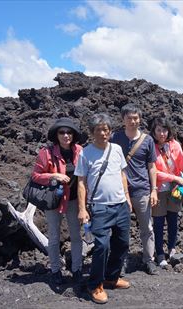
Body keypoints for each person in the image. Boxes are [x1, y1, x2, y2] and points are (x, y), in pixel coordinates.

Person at [76, 113, 132, 304]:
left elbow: (122, 174)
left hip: (121, 205)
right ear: (92, 132)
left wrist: (127, 197)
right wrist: (82, 209)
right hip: (99, 207)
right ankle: (95, 285)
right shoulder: (85, 153)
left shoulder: (116, 149)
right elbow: (81, 183)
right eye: (99, 129)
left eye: (106, 129)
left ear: (110, 131)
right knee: (101, 246)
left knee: (122, 243)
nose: (103, 133)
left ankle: (111, 277)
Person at [31, 118, 83, 285]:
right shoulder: (46, 153)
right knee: (54, 237)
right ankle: (55, 270)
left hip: (74, 200)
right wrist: (53, 175)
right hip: (54, 201)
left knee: (76, 236)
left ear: (74, 135)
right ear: (56, 134)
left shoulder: (80, 151)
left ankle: (77, 269)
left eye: (69, 132)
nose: (66, 135)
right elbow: (35, 176)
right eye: (62, 132)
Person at [111, 103, 159, 275]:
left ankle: (149, 260)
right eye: (129, 118)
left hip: (142, 190)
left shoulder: (147, 140)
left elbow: (151, 167)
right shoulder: (115, 138)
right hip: (119, 192)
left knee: (147, 227)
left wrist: (154, 189)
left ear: (140, 119)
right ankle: (121, 261)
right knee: (121, 230)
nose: (133, 121)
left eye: (136, 118)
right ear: (123, 119)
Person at [150, 117, 183, 267]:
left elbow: (181, 167)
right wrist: (173, 177)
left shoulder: (174, 145)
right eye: (159, 130)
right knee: (158, 222)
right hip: (159, 190)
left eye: (164, 130)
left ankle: (172, 249)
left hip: (174, 189)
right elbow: (154, 172)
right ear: (153, 131)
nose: (162, 133)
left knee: (173, 220)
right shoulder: (151, 146)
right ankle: (160, 253)